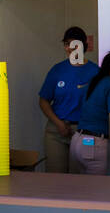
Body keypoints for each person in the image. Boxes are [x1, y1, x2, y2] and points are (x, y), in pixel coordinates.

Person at [39, 27, 98, 173]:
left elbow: (99, 105)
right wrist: (58, 123)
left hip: (83, 131)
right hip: (56, 131)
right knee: (55, 177)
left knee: (80, 179)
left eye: (74, 45)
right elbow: (43, 101)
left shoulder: (95, 72)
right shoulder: (57, 70)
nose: (70, 49)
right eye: (67, 44)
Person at [69, 52, 110, 175]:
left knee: (80, 189)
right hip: (95, 144)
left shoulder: (94, 81)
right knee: (97, 190)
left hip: (77, 141)